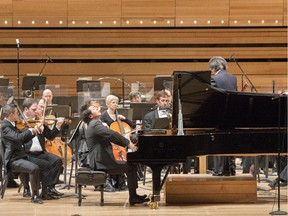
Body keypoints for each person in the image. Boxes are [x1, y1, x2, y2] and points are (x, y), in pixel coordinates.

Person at [80, 101, 149, 205]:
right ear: (90, 115)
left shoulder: (94, 123)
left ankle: (134, 196)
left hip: (102, 160)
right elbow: (111, 134)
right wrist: (129, 144)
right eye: (94, 108)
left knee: (131, 165)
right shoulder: (94, 124)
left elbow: (110, 135)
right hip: (101, 162)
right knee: (131, 167)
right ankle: (133, 197)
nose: (98, 108)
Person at [21, 98, 64, 199]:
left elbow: (50, 136)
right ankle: (31, 188)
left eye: (37, 109)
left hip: (40, 152)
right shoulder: (19, 122)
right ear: (26, 109)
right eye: (34, 109)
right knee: (46, 165)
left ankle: (50, 188)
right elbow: (19, 138)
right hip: (26, 153)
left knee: (57, 160)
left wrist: (57, 126)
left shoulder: (39, 120)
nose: (37, 112)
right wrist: (34, 130)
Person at [1, 104, 43, 204]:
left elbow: (22, 140)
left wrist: (35, 132)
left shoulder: (12, 124)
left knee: (44, 164)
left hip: (20, 156)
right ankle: (35, 195)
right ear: (11, 114)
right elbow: (18, 138)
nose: (18, 115)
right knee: (34, 168)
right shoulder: (5, 127)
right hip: (13, 160)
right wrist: (31, 130)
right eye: (17, 113)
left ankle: (46, 191)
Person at [209, 56, 237, 176]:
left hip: (219, 116)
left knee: (219, 142)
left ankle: (220, 170)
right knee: (230, 142)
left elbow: (213, 99)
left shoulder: (215, 79)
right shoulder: (233, 78)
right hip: (232, 115)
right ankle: (231, 168)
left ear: (214, 67)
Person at [101, 95, 136, 191]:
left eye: (117, 102)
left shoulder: (118, 116)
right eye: (113, 102)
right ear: (107, 104)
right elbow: (100, 129)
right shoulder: (103, 116)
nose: (116, 104)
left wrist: (125, 119)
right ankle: (116, 181)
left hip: (118, 142)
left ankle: (121, 182)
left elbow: (132, 125)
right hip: (108, 142)